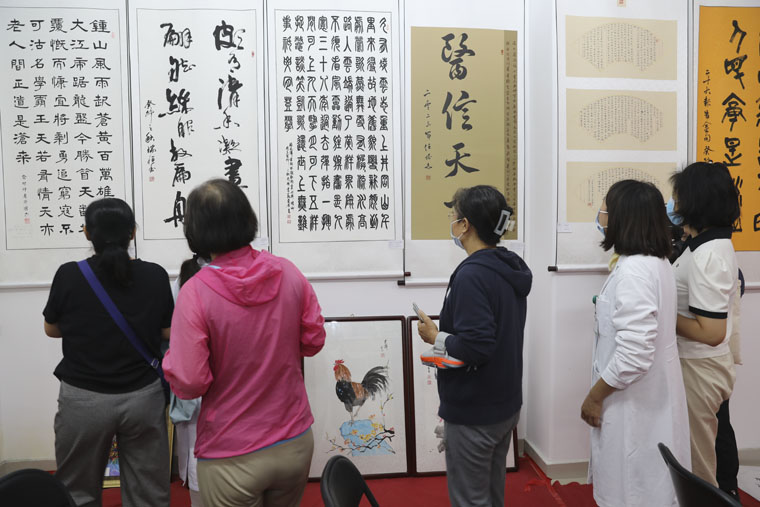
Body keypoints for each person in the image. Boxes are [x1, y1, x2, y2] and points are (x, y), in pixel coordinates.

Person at [162, 179, 326, 507]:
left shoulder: (195, 292)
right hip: (293, 440)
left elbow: (190, 383)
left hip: (230, 451)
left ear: (194, 231)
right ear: (247, 218)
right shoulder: (288, 272)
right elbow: (313, 340)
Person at [43, 198, 173, 507]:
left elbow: (51, 329)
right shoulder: (155, 275)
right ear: (132, 233)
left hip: (83, 398)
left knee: (77, 491)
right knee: (148, 493)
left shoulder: (69, 274)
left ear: (88, 233)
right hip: (143, 396)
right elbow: (168, 332)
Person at [417, 185, 531, 507]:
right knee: (491, 494)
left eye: (454, 217)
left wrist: (436, 336)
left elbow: (478, 346)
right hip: (504, 403)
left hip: (476, 410)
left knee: (471, 499)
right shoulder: (508, 266)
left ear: (465, 225)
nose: (452, 223)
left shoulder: (473, 275)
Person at [581, 180, 689, 507]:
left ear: (622, 218)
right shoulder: (655, 263)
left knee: (633, 490)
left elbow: (634, 355)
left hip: (634, 405)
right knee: (646, 487)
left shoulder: (635, 273)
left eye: (605, 209)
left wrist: (594, 397)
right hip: (645, 399)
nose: (601, 216)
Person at [668, 162, 741, 492]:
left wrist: (662, 314)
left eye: (678, 196)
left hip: (700, 366)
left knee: (698, 468)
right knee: (701, 455)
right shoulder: (703, 244)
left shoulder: (708, 254)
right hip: (698, 364)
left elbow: (711, 333)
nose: (674, 204)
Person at [168, 256, 205, 507]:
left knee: (195, 444)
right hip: (216, 376)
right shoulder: (229, 275)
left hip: (192, 374)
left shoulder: (184, 278)